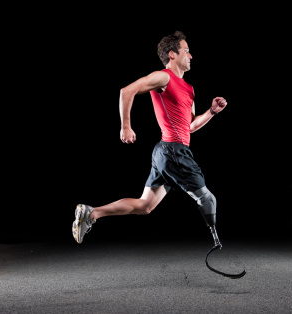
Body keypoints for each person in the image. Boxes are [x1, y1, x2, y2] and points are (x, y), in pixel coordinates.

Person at [72, 31, 227, 246]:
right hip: (174, 151)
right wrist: (125, 126)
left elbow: (189, 127)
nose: (191, 55)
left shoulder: (189, 89)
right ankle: (217, 242)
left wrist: (211, 111)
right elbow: (126, 91)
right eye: (187, 51)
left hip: (167, 151)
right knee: (208, 199)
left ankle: (92, 213)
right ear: (172, 54)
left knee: (145, 205)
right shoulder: (164, 77)